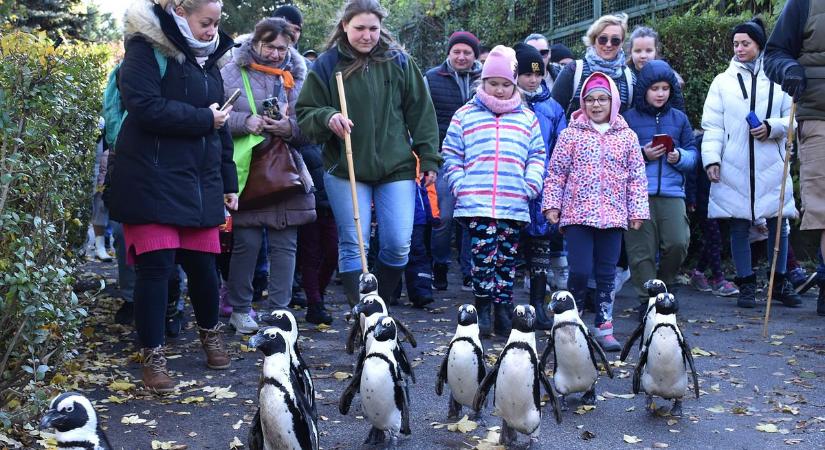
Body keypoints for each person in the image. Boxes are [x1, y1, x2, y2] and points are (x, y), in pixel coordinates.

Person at [109, 0, 237, 392]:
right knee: (156, 269)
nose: (212, 30)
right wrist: (203, 119)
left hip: (198, 183)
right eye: (206, 22)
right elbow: (142, 106)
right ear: (180, 11)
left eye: (217, 23)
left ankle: (210, 334)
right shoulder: (145, 48)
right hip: (150, 178)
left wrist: (229, 180)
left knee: (203, 268)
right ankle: (154, 355)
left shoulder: (208, 58)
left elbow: (222, 124)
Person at [296, 0, 440, 306]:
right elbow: (305, 113)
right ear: (345, 26)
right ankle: (360, 315)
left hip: (397, 167)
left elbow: (422, 113)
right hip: (344, 167)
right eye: (359, 28)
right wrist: (327, 117)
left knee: (399, 244)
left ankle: (380, 307)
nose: (367, 35)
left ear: (381, 28)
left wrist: (428, 158)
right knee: (353, 244)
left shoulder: (399, 61)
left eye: (373, 28)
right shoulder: (325, 64)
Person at [442, 45, 546, 337]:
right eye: (493, 84)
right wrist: (459, 184)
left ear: (515, 85)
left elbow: (537, 154)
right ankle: (483, 308)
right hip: (476, 201)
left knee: (506, 258)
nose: (500, 90)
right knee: (483, 256)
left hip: (513, 201)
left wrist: (531, 182)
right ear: (483, 82)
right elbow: (451, 152)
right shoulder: (465, 115)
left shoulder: (526, 118)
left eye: (506, 85)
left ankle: (503, 308)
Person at [221, 18, 316, 333]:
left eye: (282, 48)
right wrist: (244, 121)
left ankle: (279, 311)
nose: (276, 54)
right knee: (246, 243)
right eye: (269, 46)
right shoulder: (231, 72)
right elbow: (215, 114)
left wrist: (288, 127)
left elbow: (311, 124)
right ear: (255, 42)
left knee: (285, 243)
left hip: (287, 169)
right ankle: (240, 309)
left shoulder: (299, 76)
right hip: (247, 169)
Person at [543, 72, 649, 351]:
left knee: (606, 273)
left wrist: (637, 210)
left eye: (603, 98)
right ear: (582, 102)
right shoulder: (570, 134)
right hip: (577, 214)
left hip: (613, 216)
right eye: (590, 99)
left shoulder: (627, 137)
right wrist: (552, 205)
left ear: (613, 101)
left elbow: (637, 177)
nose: (596, 104)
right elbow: (556, 173)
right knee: (578, 271)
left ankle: (604, 325)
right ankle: (571, 322)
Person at [701, 18, 802, 309]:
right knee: (738, 224)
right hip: (734, 163)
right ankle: (746, 283)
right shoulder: (722, 82)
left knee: (778, 222)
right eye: (735, 43)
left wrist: (773, 128)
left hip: (772, 161)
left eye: (745, 43)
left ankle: (778, 281)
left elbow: (794, 117)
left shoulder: (778, 77)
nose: (739, 48)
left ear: (759, 45)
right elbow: (713, 125)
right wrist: (712, 159)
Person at [764, 0, 825, 316]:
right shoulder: (804, 3)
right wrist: (789, 69)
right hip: (819, 118)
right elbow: (774, 54)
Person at [623, 60, 697, 318]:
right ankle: (647, 300)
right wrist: (643, 154)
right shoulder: (628, 118)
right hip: (637, 194)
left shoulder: (680, 119)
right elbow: (619, 155)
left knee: (678, 242)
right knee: (640, 251)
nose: (661, 93)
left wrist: (680, 157)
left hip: (672, 192)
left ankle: (663, 287)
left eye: (666, 88)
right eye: (655, 88)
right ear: (644, 89)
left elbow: (693, 154)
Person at [514, 43, 567, 330]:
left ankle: (537, 303)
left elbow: (560, 148)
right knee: (509, 251)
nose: (533, 80)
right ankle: (505, 305)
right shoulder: (509, 103)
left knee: (541, 250)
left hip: (543, 187)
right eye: (526, 74)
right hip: (513, 186)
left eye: (538, 74)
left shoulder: (553, 108)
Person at [425, 30, 482, 291]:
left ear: (475, 55)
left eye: (467, 52)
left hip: (477, 159)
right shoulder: (432, 78)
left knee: (472, 216)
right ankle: (440, 265)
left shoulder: (486, 79)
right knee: (444, 217)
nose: (461, 56)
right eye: (456, 51)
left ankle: (470, 270)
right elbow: (424, 118)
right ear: (448, 53)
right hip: (443, 157)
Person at [552, 13, 635, 119]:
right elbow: (554, 113)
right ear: (594, 39)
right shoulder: (574, 71)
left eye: (615, 40)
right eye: (603, 39)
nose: (608, 44)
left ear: (622, 42)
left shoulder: (629, 78)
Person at [626, 26, 686, 110]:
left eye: (649, 51)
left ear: (656, 51)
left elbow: (678, 109)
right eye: (638, 51)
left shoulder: (669, 77)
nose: (643, 56)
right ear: (630, 52)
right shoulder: (625, 77)